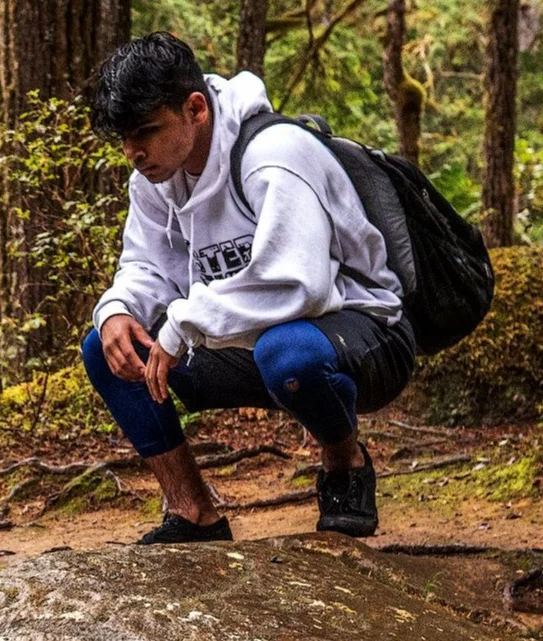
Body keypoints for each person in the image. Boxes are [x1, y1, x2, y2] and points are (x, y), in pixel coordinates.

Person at [80, 32, 419, 544]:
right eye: (124, 139)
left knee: (288, 353)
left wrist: (183, 324)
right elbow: (148, 265)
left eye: (146, 131)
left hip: (362, 334)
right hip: (250, 344)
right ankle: (193, 513)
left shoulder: (274, 153)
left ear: (195, 109)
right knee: (107, 348)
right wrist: (119, 308)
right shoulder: (155, 178)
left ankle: (344, 464)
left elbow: (298, 284)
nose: (133, 153)